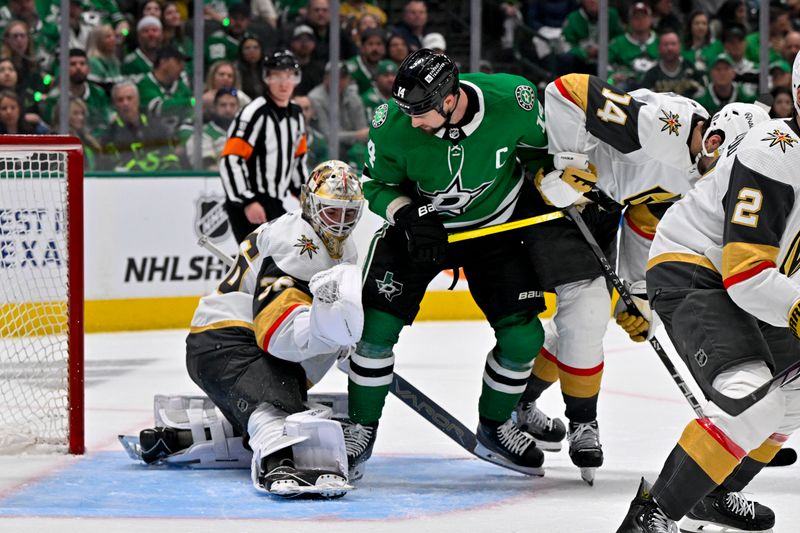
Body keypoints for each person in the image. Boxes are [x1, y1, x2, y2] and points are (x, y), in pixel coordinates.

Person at [343, 48, 551, 480]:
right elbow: (374, 184)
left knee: (524, 337)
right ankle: (361, 425)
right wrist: (406, 213)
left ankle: (495, 424)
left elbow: (539, 156)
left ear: (450, 99)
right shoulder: (393, 123)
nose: (412, 121)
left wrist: (559, 185)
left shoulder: (515, 100)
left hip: (495, 231)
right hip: (419, 231)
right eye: (406, 110)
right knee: (375, 329)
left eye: (421, 112)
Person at [520, 73, 711, 483]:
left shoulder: (703, 177)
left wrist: (636, 295)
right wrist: (569, 163)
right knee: (587, 313)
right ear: (711, 135)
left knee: (582, 323)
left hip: (599, 209)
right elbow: (566, 88)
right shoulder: (665, 123)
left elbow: (645, 218)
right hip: (551, 194)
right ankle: (582, 422)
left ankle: (522, 401)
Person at [616, 93, 792, 532]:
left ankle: (711, 492)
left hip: (756, 281)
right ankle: (650, 515)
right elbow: (745, 272)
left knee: (795, 394)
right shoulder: (773, 153)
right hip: (694, 265)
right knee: (755, 398)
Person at [143, 160, 365, 498]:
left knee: (283, 399)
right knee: (273, 410)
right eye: (333, 212)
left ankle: (198, 434)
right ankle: (276, 456)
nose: (341, 223)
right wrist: (332, 332)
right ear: (310, 203)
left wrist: (344, 336)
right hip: (224, 340)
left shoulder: (342, 248)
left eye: (349, 214)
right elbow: (275, 333)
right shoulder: (296, 244)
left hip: (244, 346)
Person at [219, 50, 308, 243]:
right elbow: (231, 159)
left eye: (289, 76)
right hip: (249, 203)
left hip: (274, 202)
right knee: (264, 263)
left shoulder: (296, 114)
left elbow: (297, 161)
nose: (284, 83)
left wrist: (306, 196)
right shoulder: (254, 112)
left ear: (296, 79)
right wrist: (247, 201)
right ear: (267, 78)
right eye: (277, 76)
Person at [307, 61, 368, 167]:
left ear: (348, 79)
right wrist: (357, 135)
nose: (338, 81)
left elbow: (362, 129)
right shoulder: (316, 98)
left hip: (351, 144)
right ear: (326, 78)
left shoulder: (353, 97)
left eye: (343, 77)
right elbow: (327, 135)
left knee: (363, 150)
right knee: (334, 149)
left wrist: (360, 136)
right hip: (324, 146)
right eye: (334, 77)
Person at [188, 88, 240, 170]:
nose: (228, 109)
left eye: (232, 105)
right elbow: (208, 168)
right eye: (223, 105)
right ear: (215, 107)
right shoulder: (202, 134)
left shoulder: (248, 132)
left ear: (238, 107)